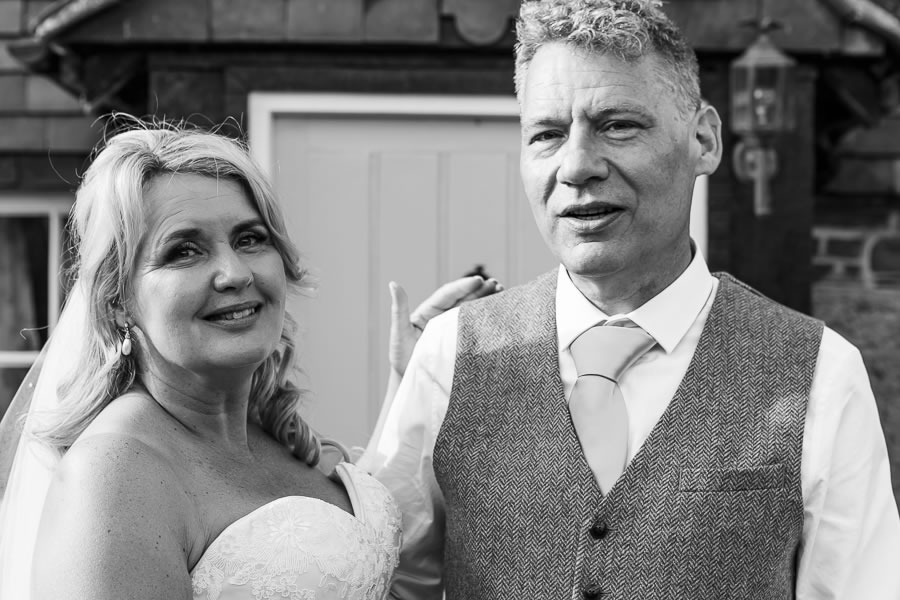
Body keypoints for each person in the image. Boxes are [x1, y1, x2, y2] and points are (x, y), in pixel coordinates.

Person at [359, 0, 900, 598]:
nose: (576, 166)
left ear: (703, 140)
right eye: (547, 134)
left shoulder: (820, 371)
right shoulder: (451, 354)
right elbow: (388, 583)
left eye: (617, 125)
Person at [0, 121, 499, 600]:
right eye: (184, 251)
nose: (235, 273)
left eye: (250, 239)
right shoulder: (114, 474)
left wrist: (407, 379)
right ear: (117, 301)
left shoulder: (265, 433)